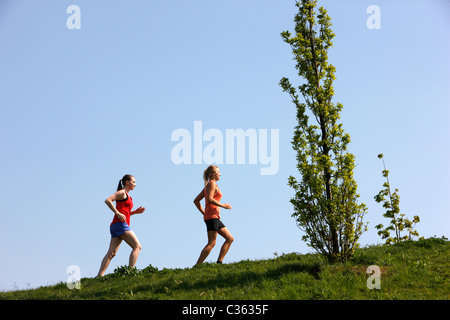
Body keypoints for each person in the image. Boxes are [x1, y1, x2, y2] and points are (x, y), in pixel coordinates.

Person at [97, 174, 145, 277]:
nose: (135, 185)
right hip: (120, 225)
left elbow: (125, 212)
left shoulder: (128, 197)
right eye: (133, 182)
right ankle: (130, 273)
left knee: (111, 253)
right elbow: (108, 200)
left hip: (116, 225)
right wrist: (117, 213)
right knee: (137, 247)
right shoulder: (122, 193)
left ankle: (99, 276)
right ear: (127, 182)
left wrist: (135, 212)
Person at [193, 165, 234, 264]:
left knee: (229, 238)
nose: (220, 174)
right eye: (218, 172)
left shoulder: (210, 185)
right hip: (212, 217)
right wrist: (223, 205)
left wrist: (204, 213)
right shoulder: (211, 184)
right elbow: (210, 199)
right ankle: (197, 266)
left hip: (214, 217)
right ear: (212, 174)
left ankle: (219, 262)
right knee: (211, 243)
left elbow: (196, 201)